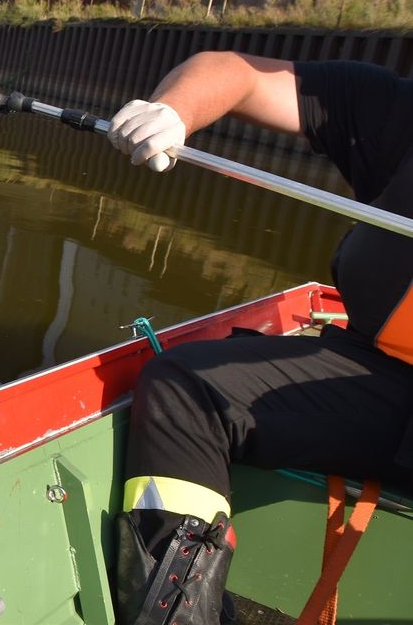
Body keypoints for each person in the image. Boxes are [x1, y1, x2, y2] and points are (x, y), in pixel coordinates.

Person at [105, 51, 413, 624]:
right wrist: (175, 111)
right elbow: (238, 73)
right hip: (385, 377)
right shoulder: (396, 112)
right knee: (186, 387)